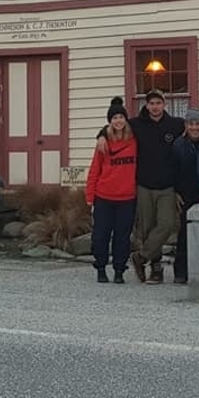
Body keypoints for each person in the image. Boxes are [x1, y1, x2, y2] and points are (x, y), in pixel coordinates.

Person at [95, 90, 185, 285]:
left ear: (164, 104)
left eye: (158, 103)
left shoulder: (175, 124)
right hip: (143, 185)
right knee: (146, 229)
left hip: (167, 186)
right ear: (147, 105)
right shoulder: (137, 124)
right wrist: (101, 135)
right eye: (151, 103)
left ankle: (140, 257)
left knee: (167, 224)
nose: (155, 107)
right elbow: (116, 123)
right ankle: (156, 269)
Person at [86, 99, 138, 285]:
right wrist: (90, 196)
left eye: (121, 117)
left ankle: (119, 270)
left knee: (122, 237)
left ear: (126, 119)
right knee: (100, 235)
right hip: (104, 197)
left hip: (127, 198)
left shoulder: (134, 140)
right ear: (110, 121)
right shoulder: (103, 143)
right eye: (114, 118)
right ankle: (100, 267)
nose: (118, 121)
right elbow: (94, 170)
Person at [170, 109, 199, 284]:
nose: (194, 127)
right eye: (191, 124)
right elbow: (173, 170)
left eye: (197, 124)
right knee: (185, 233)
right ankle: (181, 271)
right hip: (186, 193)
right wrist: (176, 192)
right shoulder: (178, 145)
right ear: (185, 125)